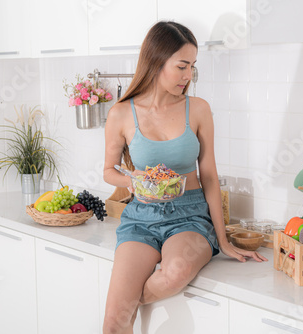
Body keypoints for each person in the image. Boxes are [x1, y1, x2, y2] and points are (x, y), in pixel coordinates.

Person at [102, 21, 267, 333]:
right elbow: (109, 171)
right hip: (141, 217)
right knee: (113, 324)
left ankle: (127, 306)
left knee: (174, 273)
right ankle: (121, 313)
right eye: (181, 66)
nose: (188, 75)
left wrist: (223, 240)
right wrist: (134, 182)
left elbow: (210, 178)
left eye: (192, 66)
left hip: (190, 217)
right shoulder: (121, 113)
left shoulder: (199, 109)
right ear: (156, 61)